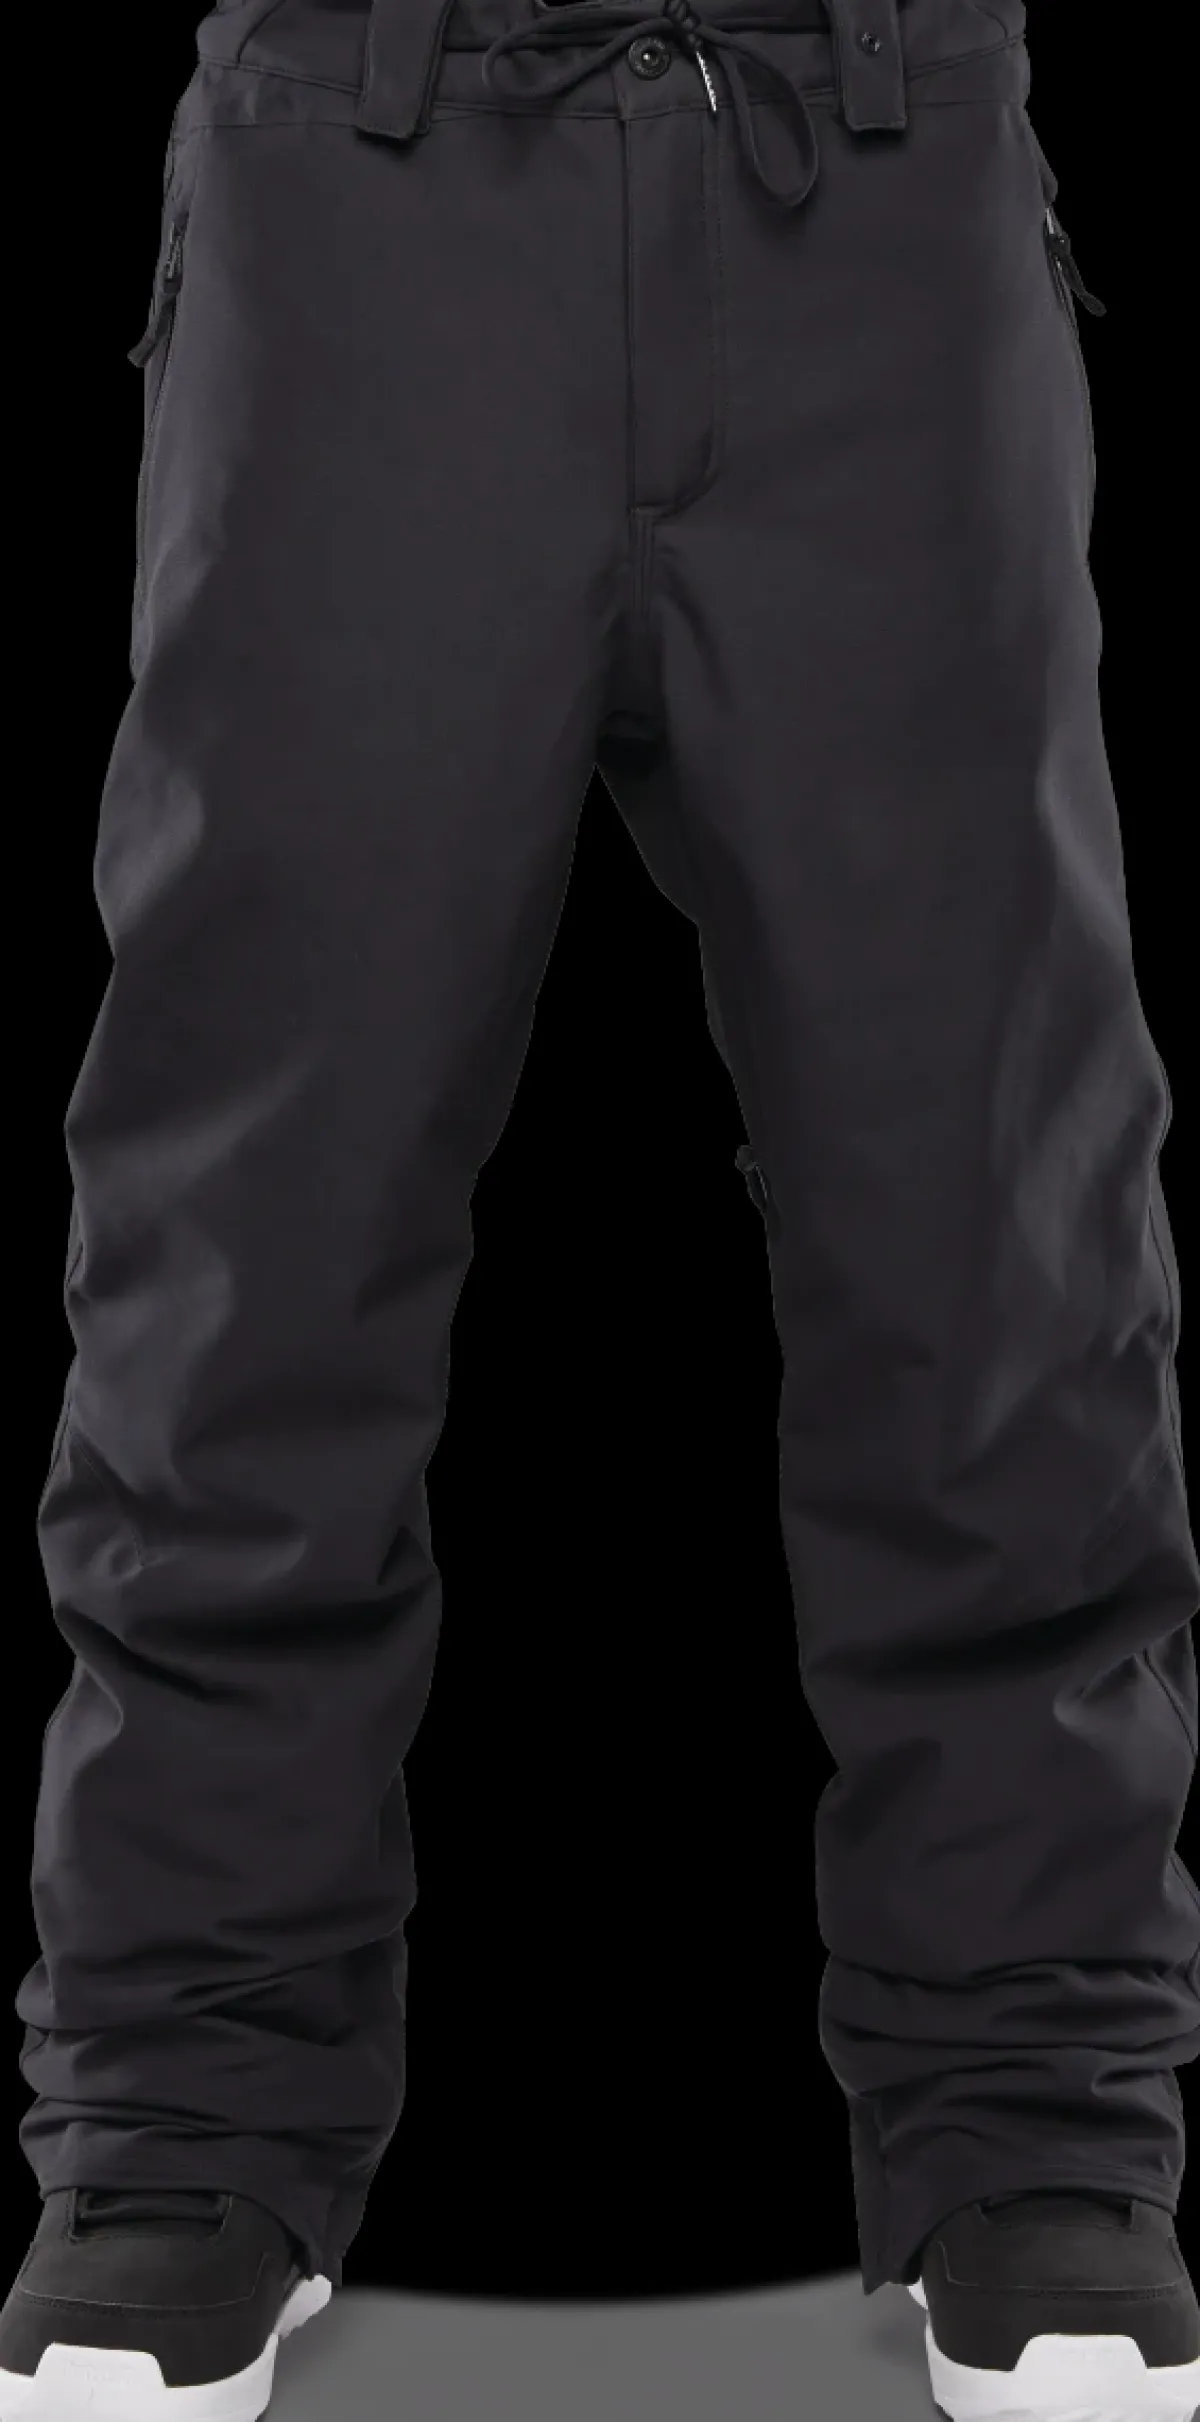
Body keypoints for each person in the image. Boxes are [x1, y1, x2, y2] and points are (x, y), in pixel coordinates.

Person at [3, 0, 1198, 2416]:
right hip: (366, 169)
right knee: (258, 1215)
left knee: (987, 1203)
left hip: (881, 164)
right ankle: (184, 2116)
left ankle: (1035, 2114)